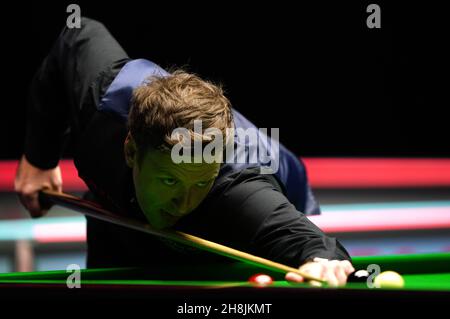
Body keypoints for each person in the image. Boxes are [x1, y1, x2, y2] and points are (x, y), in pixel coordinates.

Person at [15, 18, 354, 286]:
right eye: (169, 180)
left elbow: (307, 241)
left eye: (198, 183)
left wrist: (322, 261)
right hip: (120, 205)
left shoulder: (236, 191)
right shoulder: (103, 102)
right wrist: (38, 158)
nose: (184, 202)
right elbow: (77, 35)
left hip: (242, 212)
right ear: (131, 150)